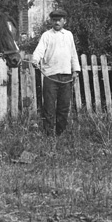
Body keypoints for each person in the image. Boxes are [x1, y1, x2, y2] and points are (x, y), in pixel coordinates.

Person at [32, 8, 80, 136]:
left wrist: (75, 70)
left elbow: (73, 54)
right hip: (51, 76)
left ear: (64, 21)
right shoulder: (46, 35)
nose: (57, 23)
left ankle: (61, 133)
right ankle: (48, 133)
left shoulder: (68, 35)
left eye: (59, 20)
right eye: (54, 20)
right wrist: (35, 59)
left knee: (64, 106)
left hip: (66, 75)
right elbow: (39, 50)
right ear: (51, 22)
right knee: (49, 105)